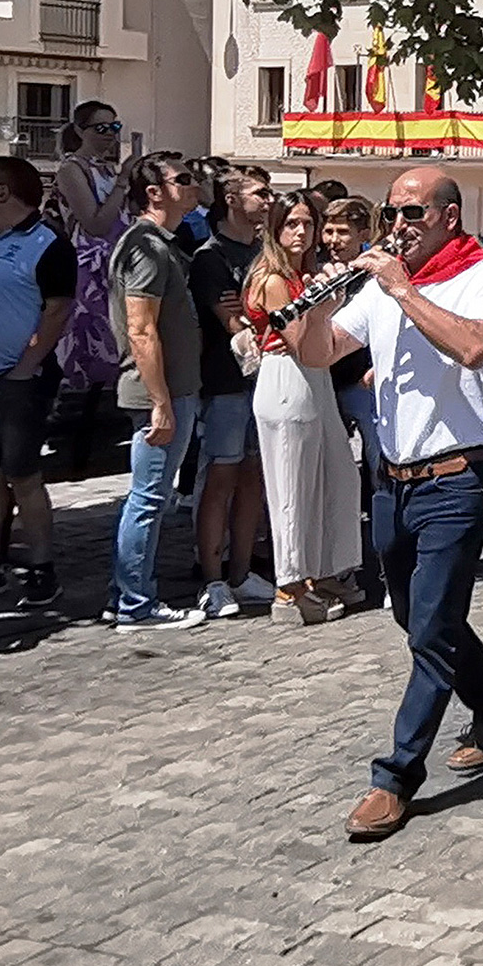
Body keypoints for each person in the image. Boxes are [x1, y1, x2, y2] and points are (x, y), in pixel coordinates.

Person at [289, 166, 483, 841]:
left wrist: (402, 288)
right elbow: (321, 350)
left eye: (412, 214)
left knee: (431, 629)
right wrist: (313, 305)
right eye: (393, 213)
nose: (398, 226)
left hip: (458, 479)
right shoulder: (385, 285)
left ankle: (395, 775)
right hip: (393, 479)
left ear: (449, 217)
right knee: (417, 616)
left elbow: (477, 347)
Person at [0, 157, 76, 608]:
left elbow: (58, 309)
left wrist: (27, 366)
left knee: (23, 476)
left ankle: (41, 568)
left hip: (15, 381)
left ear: (3, 191)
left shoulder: (47, 244)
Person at [243, 190, 363, 624]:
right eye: (291, 223)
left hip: (316, 378)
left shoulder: (301, 274)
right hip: (285, 376)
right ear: (275, 229)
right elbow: (299, 341)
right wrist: (330, 305)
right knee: (291, 487)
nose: (300, 232)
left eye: (307, 224)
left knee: (337, 477)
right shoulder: (274, 279)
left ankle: (326, 569)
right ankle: (289, 588)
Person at [106, 153, 208, 631]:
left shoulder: (161, 243)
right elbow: (140, 328)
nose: (193, 187)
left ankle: (125, 594)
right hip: (158, 393)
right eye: (183, 180)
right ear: (154, 192)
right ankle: (135, 603)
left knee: (151, 496)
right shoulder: (146, 247)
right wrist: (162, 402)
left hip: (172, 389)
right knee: (149, 497)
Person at [189, 168, 276, 617]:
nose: (268, 200)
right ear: (231, 198)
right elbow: (231, 320)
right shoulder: (210, 256)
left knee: (252, 478)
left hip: (265, 380)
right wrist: (250, 316)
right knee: (220, 476)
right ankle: (212, 578)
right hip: (225, 381)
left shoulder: (266, 251)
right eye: (260, 193)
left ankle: (242, 573)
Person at [320, 196, 385, 603]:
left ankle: (384, 565)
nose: (333, 239)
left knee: (380, 476)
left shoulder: (373, 274)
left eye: (343, 231)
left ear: (364, 235)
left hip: (362, 386)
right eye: (328, 231)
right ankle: (336, 567)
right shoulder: (319, 270)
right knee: (330, 479)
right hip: (323, 382)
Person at [51, 100, 132, 391]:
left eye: (114, 126)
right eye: (101, 127)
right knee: (90, 341)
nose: (109, 133)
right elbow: (95, 224)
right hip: (88, 268)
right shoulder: (72, 169)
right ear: (80, 130)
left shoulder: (107, 169)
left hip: (114, 265)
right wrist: (123, 180)